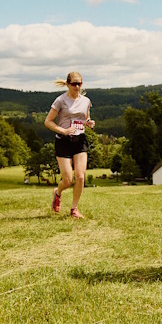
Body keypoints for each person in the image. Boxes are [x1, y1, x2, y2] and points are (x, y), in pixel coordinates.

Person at [44, 71, 95, 219]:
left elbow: (85, 118)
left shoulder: (86, 101)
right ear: (67, 84)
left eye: (80, 83)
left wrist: (89, 122)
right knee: (67, 180)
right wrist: (64, 131)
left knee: (80, 177)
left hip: (80, 141)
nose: (77, 86)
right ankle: (57, 193)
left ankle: (74, 209)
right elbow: (48, 122)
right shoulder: (60, 101)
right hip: (63, 141)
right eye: (74, 84)